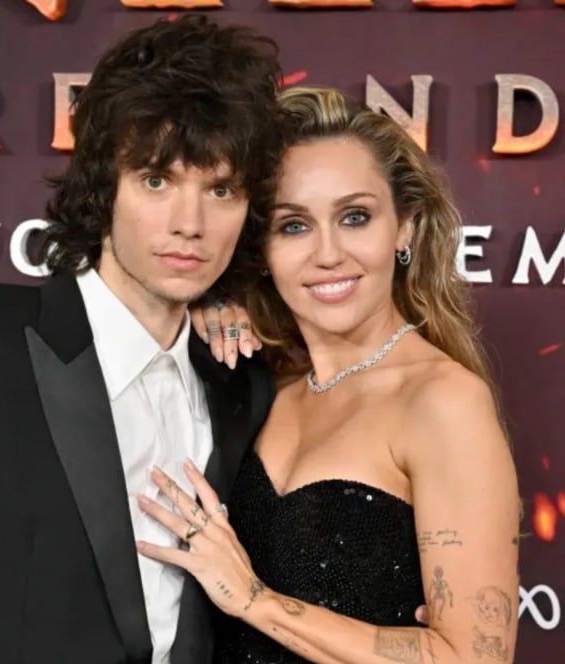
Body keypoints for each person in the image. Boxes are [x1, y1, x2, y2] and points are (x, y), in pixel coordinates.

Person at [0, 15, 282, 664]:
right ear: (103, 185)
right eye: (157, 180)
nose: (191, 223)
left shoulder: (242, 383)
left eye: (221, 189)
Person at [137, 86, 520, 663]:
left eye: (355, 217)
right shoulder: (262, 384)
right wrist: (211, 307)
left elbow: (475, 658)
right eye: (293, 226)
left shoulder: (443, 402)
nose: (328, 254)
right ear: (261, 249)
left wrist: (255, 600)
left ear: (405, 228)